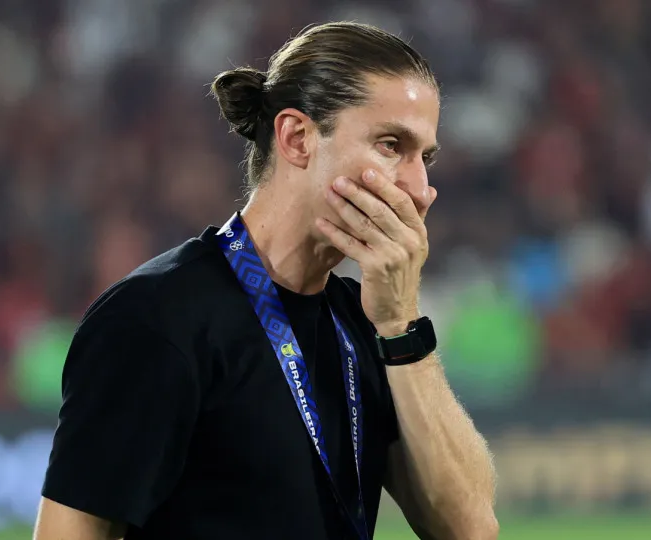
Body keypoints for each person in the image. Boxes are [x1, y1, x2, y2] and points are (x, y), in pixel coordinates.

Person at [34, 22, 498, 540]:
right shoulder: (157, 318)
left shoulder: (365, 323)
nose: (420, 189)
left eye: (425, 158)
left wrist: (399, 324)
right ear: (297, 138)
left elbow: (471, 531)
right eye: (391, 145)